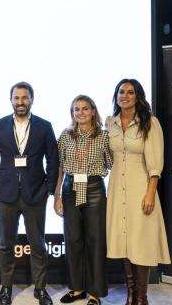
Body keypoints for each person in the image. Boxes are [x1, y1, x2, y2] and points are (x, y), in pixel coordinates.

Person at [0, 81, 59, 305]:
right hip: (6, 195)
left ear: (32, 100)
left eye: (24, 98)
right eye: (16, 98)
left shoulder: (44, 126)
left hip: (35, 194)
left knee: (38, 244)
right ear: (11, 100)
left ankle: (40, 288)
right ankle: (6, 288)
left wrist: (48, 189)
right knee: (6, 244)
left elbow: (53, 160)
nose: (20, 102)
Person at [106, 79, 170, 305]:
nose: (125, 96)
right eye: (121, 92)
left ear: (138, 96)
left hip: (140, 189)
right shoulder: (110, 123)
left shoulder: (149, 123)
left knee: (140, 242)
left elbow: (155, 163)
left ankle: (141, 298)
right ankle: (130, 294)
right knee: (123, 242)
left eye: (130, 92)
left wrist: (150, 192)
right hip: (116, 191)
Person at [53, 95, 112, 305]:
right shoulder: (65, 136)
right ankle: (77, 289)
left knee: (95, 243)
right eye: (76, 109)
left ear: (93, 111)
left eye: (85, 109)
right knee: (73, 241)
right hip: (70, 189)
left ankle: (95, 294)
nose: (81, 113)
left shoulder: (104, 136)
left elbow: (113, 165)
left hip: (94, 189)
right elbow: (59, 168)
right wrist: (57, 196)